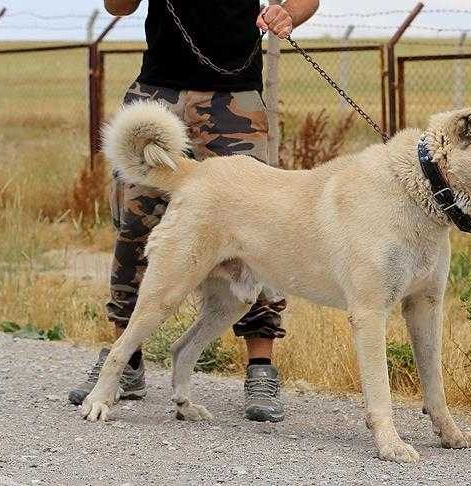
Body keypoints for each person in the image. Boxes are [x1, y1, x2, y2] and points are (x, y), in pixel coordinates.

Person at [68, 0, 320, 422]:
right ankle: (125, 361)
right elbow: (117, 7)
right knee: (136, 227)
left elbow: (304, 0)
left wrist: (287, 14)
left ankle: (261, 366)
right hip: (159, 92)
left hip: (234, 99)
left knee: (259, 225)